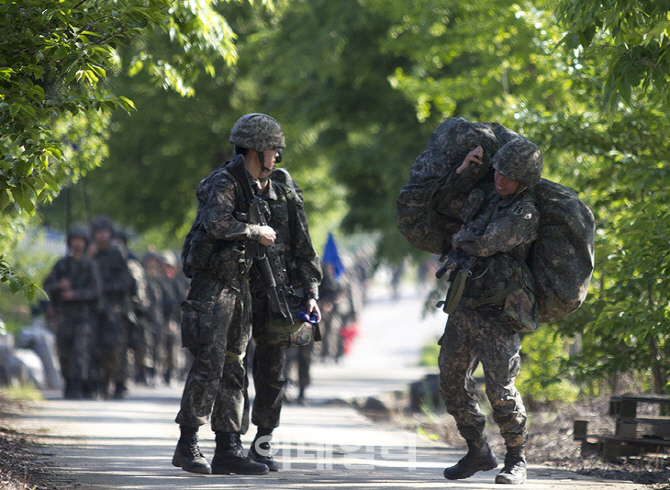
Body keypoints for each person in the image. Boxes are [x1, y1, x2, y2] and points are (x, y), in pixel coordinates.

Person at [172, 113, 287, 476]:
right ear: (256, 149)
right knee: (209, 363)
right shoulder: (224, 181)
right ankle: (188, 443)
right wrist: (256, 231)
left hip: (238, 287)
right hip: (213, 287)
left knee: (234, 366)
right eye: (273, 151)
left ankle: (228, 447)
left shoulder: (254, 186)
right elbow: (218, 224)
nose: (276, 158)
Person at [438, 138, 542, 485]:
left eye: (509, 176)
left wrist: (461, 238)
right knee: (451, 383)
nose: (500, 179)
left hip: (501, 313)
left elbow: (486, 243)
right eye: (498, 171)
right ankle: (478, 449)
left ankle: (516, 458)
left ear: (525, 181)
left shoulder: (524, 211)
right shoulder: (486, 198)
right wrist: (464, 171)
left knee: (500, 390)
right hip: (465, 306)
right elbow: (445, 205)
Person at [247, 160, 322, 470]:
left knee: (273, 374)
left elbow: (305, 253)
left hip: (277, 300)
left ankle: (262, 443)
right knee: (233, 370)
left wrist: (312, 294)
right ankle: (229, 444)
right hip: (240, 294)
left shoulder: (290, 204)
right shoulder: (238, 198)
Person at [43, 225, 102, 399]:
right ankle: (68, 382)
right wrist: (59, 286)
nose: (77, 243)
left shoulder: (90, 265)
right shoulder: (62, 265)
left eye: (80, 240)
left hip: (84, 316)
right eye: (74, 240)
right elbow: (46, 285)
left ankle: (78, 383)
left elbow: (96, 291)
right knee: (64, 349)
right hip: (64, 316)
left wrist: (75, 294)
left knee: (80, 350)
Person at [88, 215, 135, 400]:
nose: (102, 236)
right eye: (98, 232)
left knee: (115, 347)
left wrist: (102, 287)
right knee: (93, 348)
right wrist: (88, 258)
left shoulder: (117, 253)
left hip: (114, 308)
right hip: (92, 308)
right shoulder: (88, 253)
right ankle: (96, 384)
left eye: (105, 232)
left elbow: (125, 281)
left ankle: (119, 383)